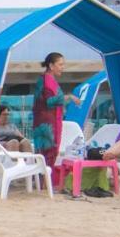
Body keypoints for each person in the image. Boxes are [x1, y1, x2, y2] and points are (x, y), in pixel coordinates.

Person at [31, 52, 78, 183]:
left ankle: (44, 181)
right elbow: (48, 102)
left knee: (46, 152)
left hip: (48, 122)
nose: (63, 67)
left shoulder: (47, 79)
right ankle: (45, 182)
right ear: (51, 65)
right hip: (47, 123)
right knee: (48, 152)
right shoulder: (46, 80)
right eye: (60, 64)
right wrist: (69, 97)